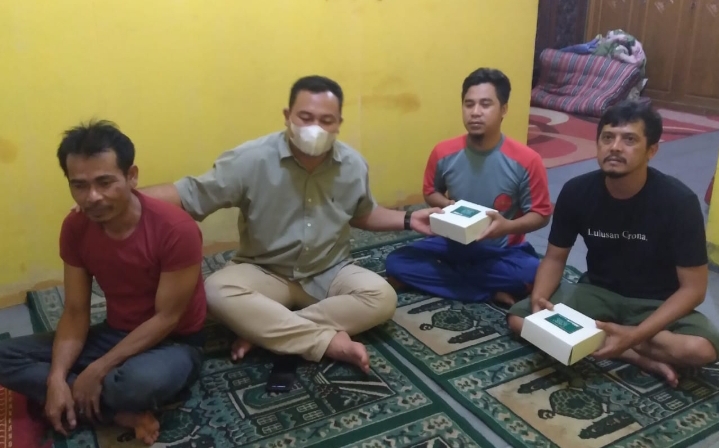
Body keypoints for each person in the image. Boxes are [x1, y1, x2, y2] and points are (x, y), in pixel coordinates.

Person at [135, 75, 441, 373]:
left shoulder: (352, 164)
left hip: (329, 269)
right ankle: (323, 341)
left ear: (338, 124)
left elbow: (362, 213)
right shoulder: (250, 159)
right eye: (305, 117)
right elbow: (189, 194)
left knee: (382, 297)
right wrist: (125, 199)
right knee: (215, 291)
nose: (315, 128)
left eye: (326, 120)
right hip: (264, 269)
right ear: (287, 116)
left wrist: (409, 218)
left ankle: (266, 331)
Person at [0, 121, 207, 445]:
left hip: (174, 342)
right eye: (79, 186)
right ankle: (114, 411)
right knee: (4, 355)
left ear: (132, 176)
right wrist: (56, 378)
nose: (93, 197)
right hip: (114, 332)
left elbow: (167, 318)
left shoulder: (176, 229)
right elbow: (75, 310)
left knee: (135, 384)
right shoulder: (76, 227)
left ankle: (96, 398)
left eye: (105, 182)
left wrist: (97, 369)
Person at [507, 100, 719, 386]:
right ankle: (634, 354)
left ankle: (611, 339)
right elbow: (555, 258)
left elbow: (693, 290)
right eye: (608, 138)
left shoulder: (679, 202)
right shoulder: (576, 191)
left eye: (629, 140)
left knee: (701, 349)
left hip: (655, 302)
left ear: (652, 150)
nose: (615, 147)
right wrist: (539, 304)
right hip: (597, 292)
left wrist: (637, 333)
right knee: (520, 320)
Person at [384, 68, 552, 307]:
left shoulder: (527, 160)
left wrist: (507, 227)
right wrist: (447, 205)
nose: (475, 112)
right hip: (452, 242)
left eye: (485, 104)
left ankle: (441, 278)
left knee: (531, 273)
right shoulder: (443, 152)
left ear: (504, 109)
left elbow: (541, 214)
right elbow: (430, 192)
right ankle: (488, 292)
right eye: (469, 104)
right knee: (396, 261)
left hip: (502, 250)